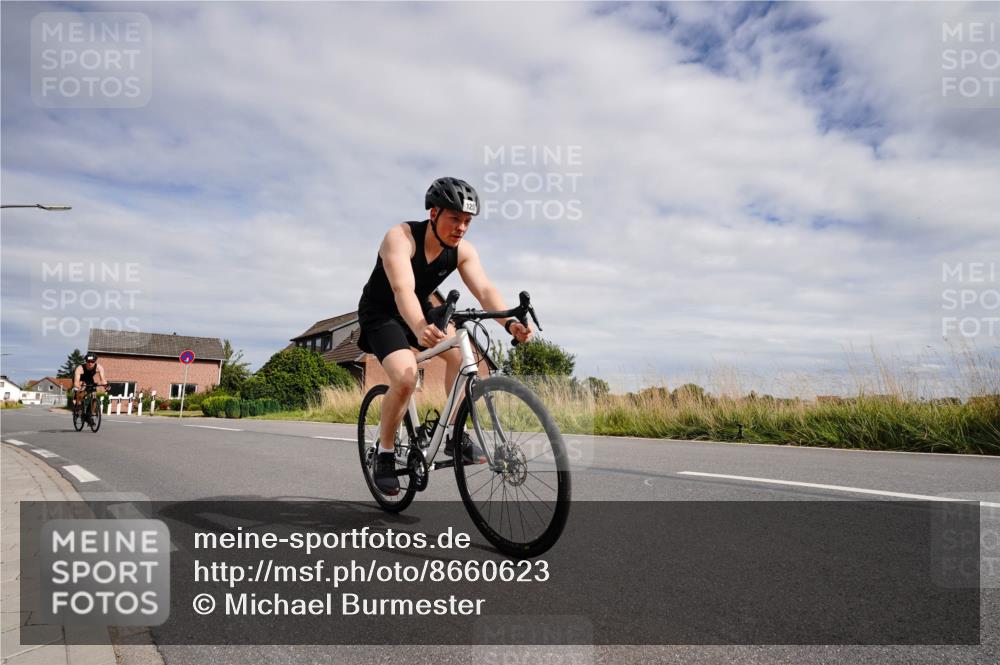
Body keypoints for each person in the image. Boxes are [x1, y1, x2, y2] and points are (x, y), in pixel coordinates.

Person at [357, 177, 533, 495]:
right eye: (455, 218)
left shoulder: (462, 251)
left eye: (467, 221)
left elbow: (484, 290)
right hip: (382, 313)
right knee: (407, 378)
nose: (462, 227)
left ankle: (455, 434)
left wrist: (509, 323)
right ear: (434, 214)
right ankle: (384, 455)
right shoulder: (400, 237)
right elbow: (402, 289)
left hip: (419, 310)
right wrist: (419, 326)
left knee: (462, 356)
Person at [73, 352, 108, 417]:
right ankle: (78, 406)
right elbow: (76, 381)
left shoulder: (99, 367)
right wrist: (77, 387)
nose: (90, 363)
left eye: (92, 361)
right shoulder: (80, 368)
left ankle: (90, 414)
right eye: (88, 361)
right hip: (80, 379)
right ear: (86, 361)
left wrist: (106, 386)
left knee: (94, 395)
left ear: (95, 361)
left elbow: (102, 379)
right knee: (80, 390)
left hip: (89, 380)